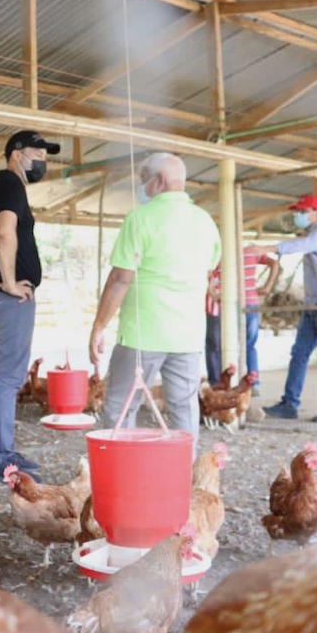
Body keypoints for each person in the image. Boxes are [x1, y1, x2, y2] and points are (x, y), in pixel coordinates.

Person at [88, 152, 220, 457]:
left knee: (121, 407)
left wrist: (98, 327)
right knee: (184, 409)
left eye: (143, 179)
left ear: (159, 181)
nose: (141, 186)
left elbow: (121, 278)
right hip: (187, 335)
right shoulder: (205, 221)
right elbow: (210, 267)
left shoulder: (140, 218)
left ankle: (123, 476)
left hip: (142, 332)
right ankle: (180, 481)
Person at [0, 130, 60, 482]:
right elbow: (5, 232)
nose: (43, 162)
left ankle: (3, 450)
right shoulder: (11, 186)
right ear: (17, 154)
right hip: (10, 298)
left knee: (6, 375)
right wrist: (6, 281)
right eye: (39, 154)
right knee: (8, 378)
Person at [254, 194, 317, 423]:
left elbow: (300, 246)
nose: (298, 216)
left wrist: (266, 247)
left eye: (301, 212)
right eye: (297, 212)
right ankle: (289, 404)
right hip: (313, 304)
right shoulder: (311, 233)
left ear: (315, 211)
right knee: (299, 354)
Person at [204, 246, 280, 389]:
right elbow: (274, 263)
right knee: (248, 345)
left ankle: (217, 383)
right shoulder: (251, 250)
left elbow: (207, 276)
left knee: (217, 345)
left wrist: (213, 294)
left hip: (226, 305)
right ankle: (252, 382)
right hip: (247, 303)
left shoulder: (220, 253)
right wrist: (267, 287)